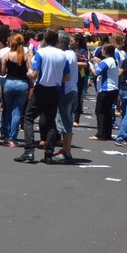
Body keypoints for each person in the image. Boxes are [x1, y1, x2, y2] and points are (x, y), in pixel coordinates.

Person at [14, 29, 69, 164]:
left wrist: (29, 72)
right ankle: (48, 154)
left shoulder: (41, 53)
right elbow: (67, 77)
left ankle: (29, 150)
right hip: (54, 89)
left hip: (41, 89)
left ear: (44, 38)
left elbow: (35, 74)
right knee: (50, 121)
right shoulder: (63, 55)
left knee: (28, 118)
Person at [1, 33, 31, 147]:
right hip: (22, 84)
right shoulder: (25, 56)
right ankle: (13, 139)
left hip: (9, 83)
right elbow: (30, 70)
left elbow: (3, 72)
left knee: (7, 111)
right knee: (17, 112)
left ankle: (7, 137)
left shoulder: (7, 55)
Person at [54, 33, 78, 162]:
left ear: (59, 42)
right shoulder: (71, 54)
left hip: (66, 91)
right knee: (67, 120)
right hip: (72, 90)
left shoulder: (64, 55)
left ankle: (67, 152)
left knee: (64, 122)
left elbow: (64, 75)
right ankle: (65, 149)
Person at [89, 43, 119, 141]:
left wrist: (91, 64)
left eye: (102, 49)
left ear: (105, 51)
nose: (101, 51)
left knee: (100, 111)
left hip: (106, 89)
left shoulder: (106, 61)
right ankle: (107, 133)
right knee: (107, 112)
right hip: (114, 89)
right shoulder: (114, 60)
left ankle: (100, 133)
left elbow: (96, 72)